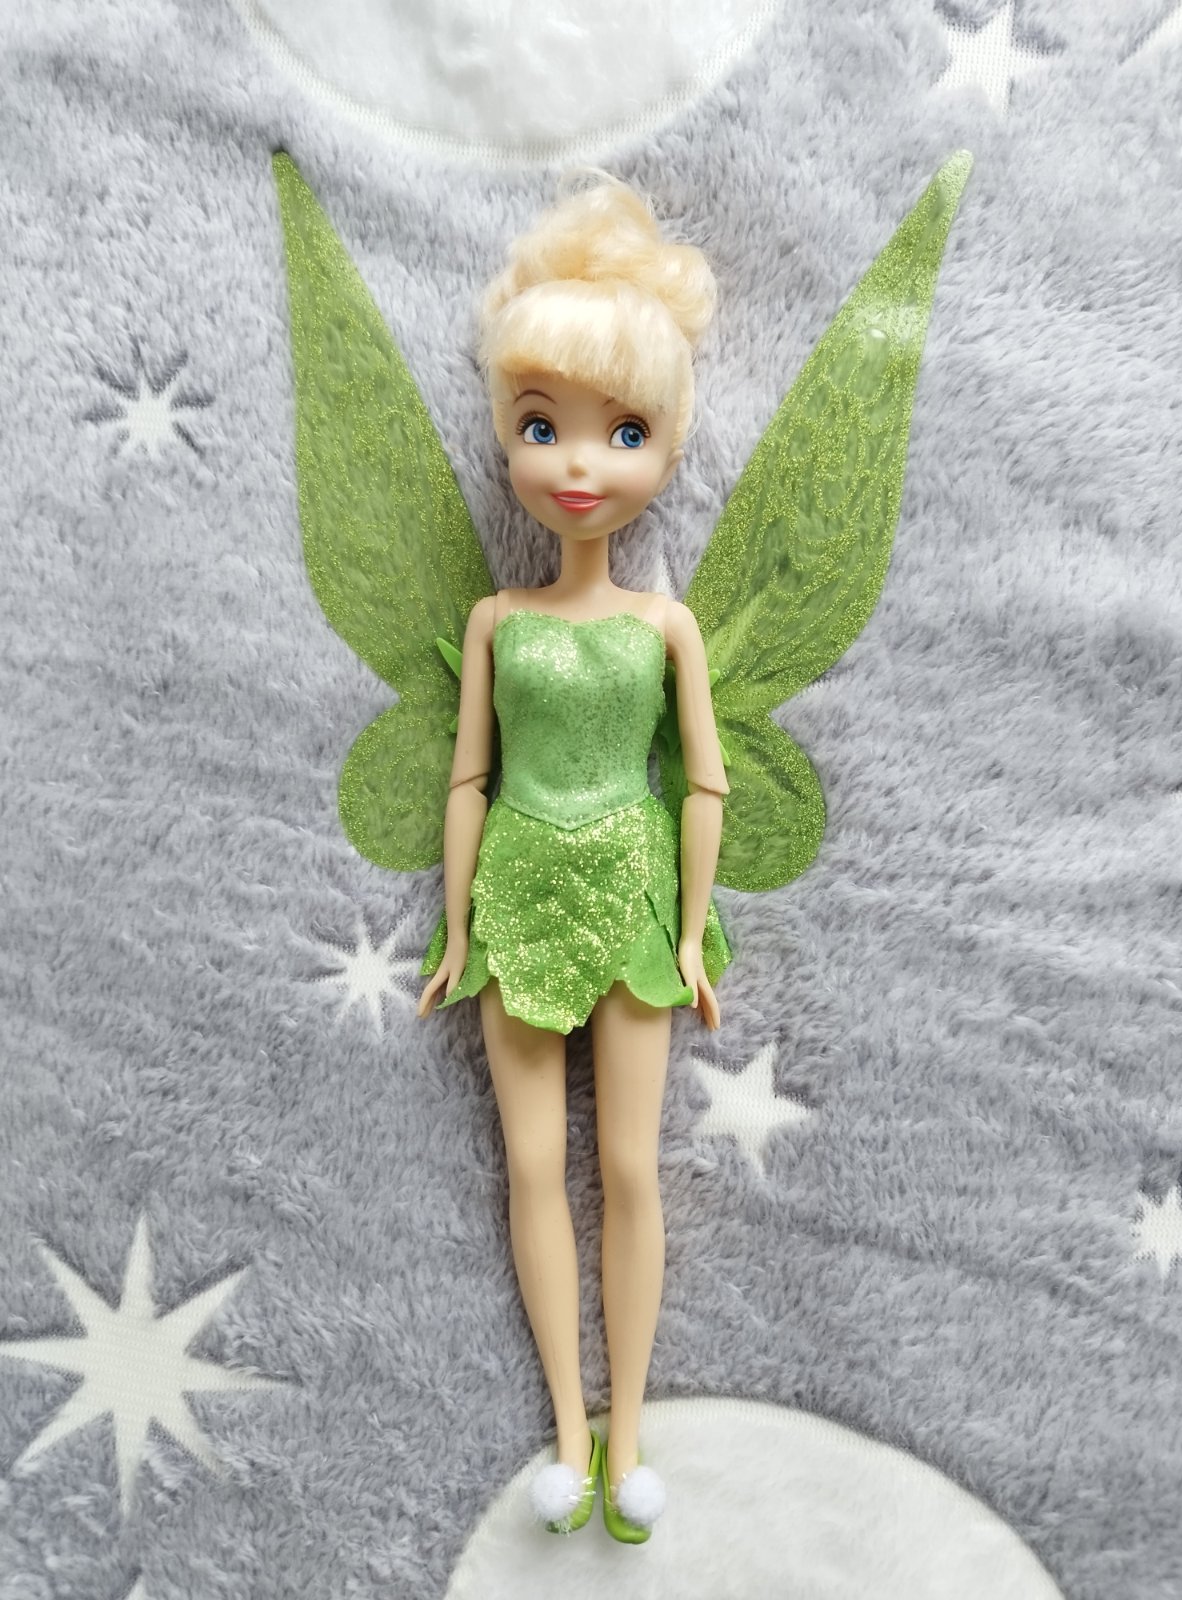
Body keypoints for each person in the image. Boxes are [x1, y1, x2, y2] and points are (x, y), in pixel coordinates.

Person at [416, 174, 727, 1542]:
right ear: (509, 439)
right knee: (534, 1166)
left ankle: (633, 1431)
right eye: (543, 427)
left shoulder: (666, 625)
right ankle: (567, 1428)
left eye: (625, 431)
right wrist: (455, 928)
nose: (580, 466)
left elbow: (702, 780)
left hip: (638, 898)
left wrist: (691, 931)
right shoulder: (498, 618)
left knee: (635, 1170)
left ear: (665, 446)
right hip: (517, 897)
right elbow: (469, 779)